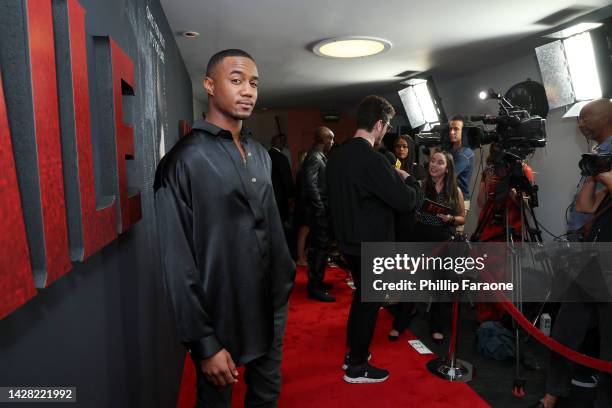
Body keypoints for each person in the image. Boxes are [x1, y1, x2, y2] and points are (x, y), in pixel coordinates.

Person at [154, 49, 295, 408]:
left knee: (266, 395)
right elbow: (178, 261)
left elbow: (272, 225)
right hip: (219, 313)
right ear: (209, 86)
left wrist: (284, 283)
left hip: (270, 303)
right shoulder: (183, 161)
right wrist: (204, 342)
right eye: (236, 80)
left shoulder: (260, 154)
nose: (247, 90)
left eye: (253, 83)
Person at [327, 95, 422, 383]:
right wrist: (410, 180)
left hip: (347, 242)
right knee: (369, 303)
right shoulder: (373, 160)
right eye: (387, 125)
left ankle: (353, 354)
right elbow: (406, 202)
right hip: (371, 244)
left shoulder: (337, 156)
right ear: (378, 124)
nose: (385, 132)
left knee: (362, 299)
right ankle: (356, 366)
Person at [534, 98, 612, 408]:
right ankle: (553, 393)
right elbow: (584, 207)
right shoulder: (596, 155)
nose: (580, 124)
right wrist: (594, 172)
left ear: (606, 118)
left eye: (584, 118)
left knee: (610, 342)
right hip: (587, 256)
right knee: (566, 330)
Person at [390, 149, 465, 342]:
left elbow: (461, 218)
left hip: (442, 239)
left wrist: (450, 218)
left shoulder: (454, 191)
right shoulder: (421, 186)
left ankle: (437, 326)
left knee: (439, 285)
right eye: (432, 161)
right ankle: (400, 323)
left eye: (439, 162)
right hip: (419, 235)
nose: (433, 165)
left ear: (447, 169)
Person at [302, 126, 336, 302]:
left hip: (320, 210)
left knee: (321, 248)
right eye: (331, 139)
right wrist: (320, 207)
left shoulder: (319, 155)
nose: (333, 142)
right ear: (323, 140)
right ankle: (314, 287)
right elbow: (310, 183)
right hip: (318, 211)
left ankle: (318, 281)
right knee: (319, 249)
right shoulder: (315, 157)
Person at [448, 115, 475, 232]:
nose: (452, 132)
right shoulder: (450, 150)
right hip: (449, 198)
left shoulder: (466, 153)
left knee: (454, 237)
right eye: (450, 129)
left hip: (460, 201)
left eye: (456, 129)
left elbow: (448, 175)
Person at [268, 134, 295, 226]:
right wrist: (291, 194)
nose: (284, 144)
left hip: (268, 194)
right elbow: (286, 177)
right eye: (283, 142)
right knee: (282, 223)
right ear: (280, 143)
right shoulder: (281, 157)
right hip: (280, 196)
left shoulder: (265, 155)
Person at [294, 150, 310, 266]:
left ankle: (302, 256)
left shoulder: (301, 172)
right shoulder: (304, 172)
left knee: (304, 232)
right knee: (303, 232)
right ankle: (300, 258)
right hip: (304, 206)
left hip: (302, 205)